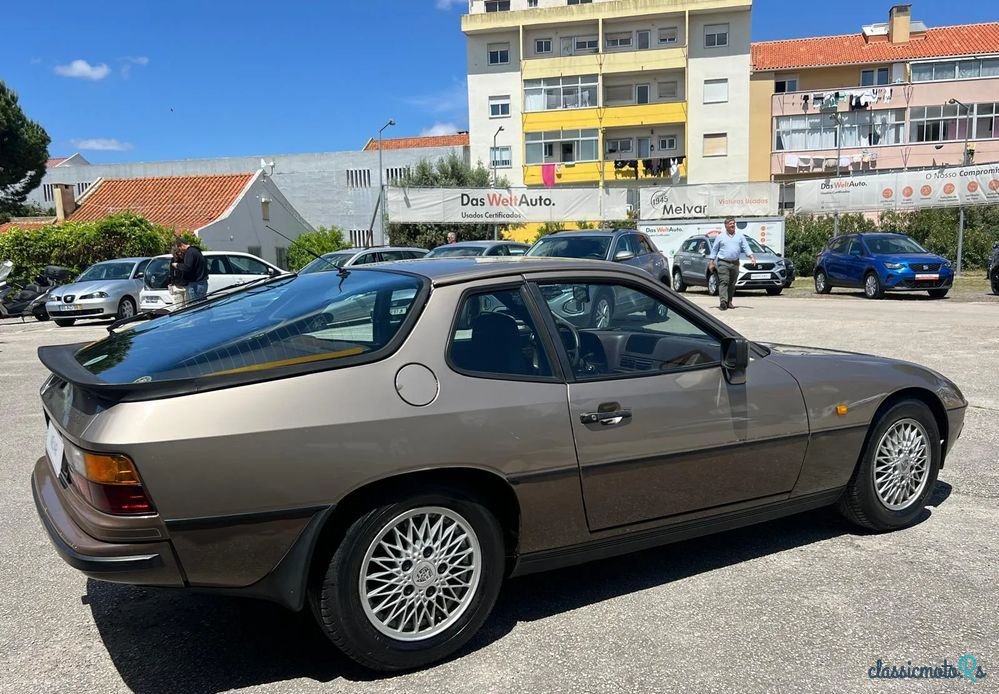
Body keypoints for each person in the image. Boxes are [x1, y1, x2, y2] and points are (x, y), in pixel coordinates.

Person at [708, 217, 756, 311]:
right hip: (723, 262)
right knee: (724, 281)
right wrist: (711, 262)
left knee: (732, 283)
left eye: (734, 223)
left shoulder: (740, 236)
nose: (733, 225)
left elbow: (746, 247)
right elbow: (714, 250)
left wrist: (751, 257)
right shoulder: (720, 237)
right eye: (730, 223)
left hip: (735, 263)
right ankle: (723, 302)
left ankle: (729, 301)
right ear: (726, 226)